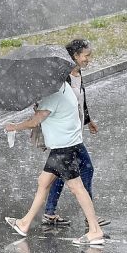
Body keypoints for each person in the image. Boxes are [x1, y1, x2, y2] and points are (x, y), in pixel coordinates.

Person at [4, 69, 106, 247]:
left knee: (77, 189)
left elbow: (35, 122)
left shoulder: (52, 97)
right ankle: (24, 223)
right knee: (43, 182)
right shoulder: (65, 88)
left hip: (63, 149)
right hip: (68, 145)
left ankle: (95, 231)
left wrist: (15, 126)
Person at [40, 39, 109, 228]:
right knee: (86, 169)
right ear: (75, 56)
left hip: (73, 134)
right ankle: (90, 218)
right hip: (65, 136)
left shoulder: (78, 74)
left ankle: (49, 212)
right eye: (86, 55)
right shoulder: (62, 79)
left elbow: (80, 101)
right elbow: (54, 105)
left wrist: (88, 121)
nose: (88, 59)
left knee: (58, 172)